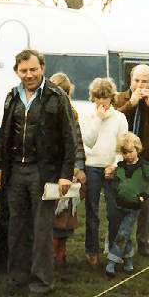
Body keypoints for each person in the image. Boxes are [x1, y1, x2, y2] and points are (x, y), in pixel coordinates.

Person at [0, 49, 77, 297]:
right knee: (16, 227)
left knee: (41, 230)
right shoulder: (13, 96)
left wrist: (65, 175)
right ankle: (18, 278)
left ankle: (42, 282)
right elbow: (5, 135)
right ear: (17, 71)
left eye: (33, 69)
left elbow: (69, 139)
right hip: (16, 171)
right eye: (23, 70)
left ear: (42, 68)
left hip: (44, 172)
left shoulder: (56, 97)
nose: (28, 75)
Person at [113, 64, 149, 257]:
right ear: (130, 80)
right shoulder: (120, 98)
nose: (139, 85)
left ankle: (144, 244)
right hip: (122, 161)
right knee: (120, 203)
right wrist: (131, 103)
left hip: (146, 161)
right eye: (136, 80)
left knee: (145, 204)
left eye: (144, 81)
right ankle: (120, 244)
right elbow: (114, 120)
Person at [81, 77, 128, 266]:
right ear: (93, 98)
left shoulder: (120, 118)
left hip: (111, 168)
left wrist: (115, 165)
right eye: (98, 98)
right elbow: (88, 142)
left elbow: (122, 145)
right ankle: (91, 249)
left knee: (113, 211)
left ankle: (114, 250)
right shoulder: (87, 116)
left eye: (105, 98)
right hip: (92, 167)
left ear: (111, 98)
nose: (102, 102)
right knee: (92, 211)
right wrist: (97, 120)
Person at [104, 132, 149, 277]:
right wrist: (113, 184)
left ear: (137, 149)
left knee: (123, 232)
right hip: (119, 205)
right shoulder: (120, 167)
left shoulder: (144, 166)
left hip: (133, 207)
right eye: (124, 153)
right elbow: (116, 183)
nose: (127, 156)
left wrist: (144, 196)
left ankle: (112, 261)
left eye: (130, 152)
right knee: (121, 232)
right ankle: (128, 260)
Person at [48, 72, 86, 267]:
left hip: (68, 170)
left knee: (66, 216)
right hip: (49, 170)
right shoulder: (45, 111)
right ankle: (50, 254)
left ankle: (60, 254)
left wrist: (78, 168)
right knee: (51, 215)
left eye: (64, 93)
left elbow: (77, 143)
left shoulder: (72, 113)